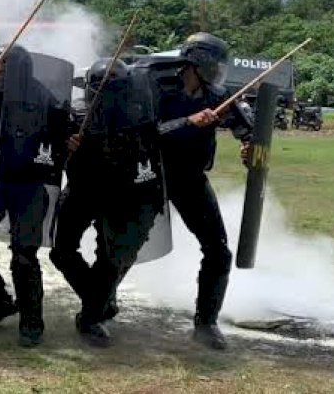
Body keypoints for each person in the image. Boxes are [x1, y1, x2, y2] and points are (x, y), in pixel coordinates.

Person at [0, 44, 71, 347]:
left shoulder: (44, 98)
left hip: (28, 186)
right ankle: (1, 301)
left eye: (2, 66)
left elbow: (64, 132)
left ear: (19, 69)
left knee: (24, 256)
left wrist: (70, 141)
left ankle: (32, 324)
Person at [49, 58, 168, 347]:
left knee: (111, 257)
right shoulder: (75, 113)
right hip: (81, 189)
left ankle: (91, 317)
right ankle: (100, 301)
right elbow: (48, 141)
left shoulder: (139, 115)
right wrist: (66, 142)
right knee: (61, 251)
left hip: (122, 194)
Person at [152, 32, 252, 350]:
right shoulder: (158, 88)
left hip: (191, 180)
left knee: (218, 250)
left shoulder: (218, 97)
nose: (218, 71)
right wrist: (187, 122)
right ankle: (99, 309)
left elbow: (247, 129)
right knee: (125, 248)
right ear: (196, 63)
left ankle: (206, 323)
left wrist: (249, 146)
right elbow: (145, 131)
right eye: (214, 64)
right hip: (151, 177)